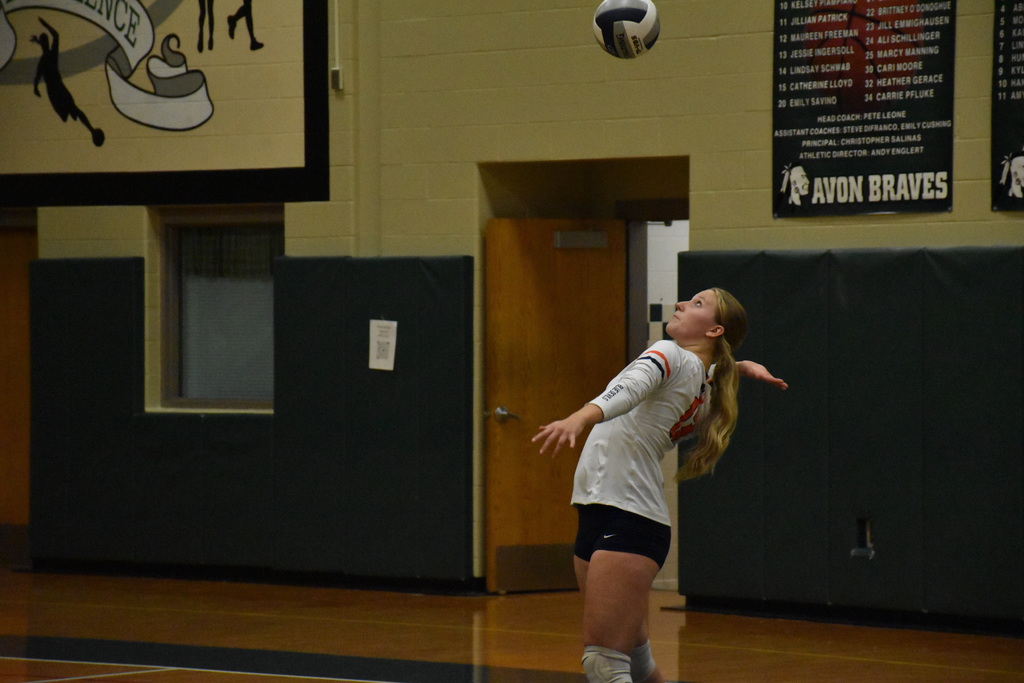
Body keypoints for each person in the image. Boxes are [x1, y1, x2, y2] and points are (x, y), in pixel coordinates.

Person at [532, 288, 786, 683]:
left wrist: (580, 418)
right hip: (604, 511)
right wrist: (738, 366)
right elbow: (706, 371)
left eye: (698, 304)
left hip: (629, 518)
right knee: (637, 663)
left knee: (604, 664)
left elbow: (630, 388)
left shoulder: (671, 353)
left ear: (716, 329)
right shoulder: (705, 384)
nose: (682, 304)